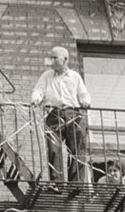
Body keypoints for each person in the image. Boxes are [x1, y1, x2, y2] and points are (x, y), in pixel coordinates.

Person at [32, 46, 91, 183]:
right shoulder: (46, 76)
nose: (51, 60)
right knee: (54, 150)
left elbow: (83, 93)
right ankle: (57, 183)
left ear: (65, 59)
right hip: (54, 114)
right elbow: (38, 90)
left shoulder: (75, 76)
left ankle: (76, 184)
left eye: (54, 57)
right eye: (51, 57)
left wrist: (85, 102)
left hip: (73, 113)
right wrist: (35, 99)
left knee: (77, 150)